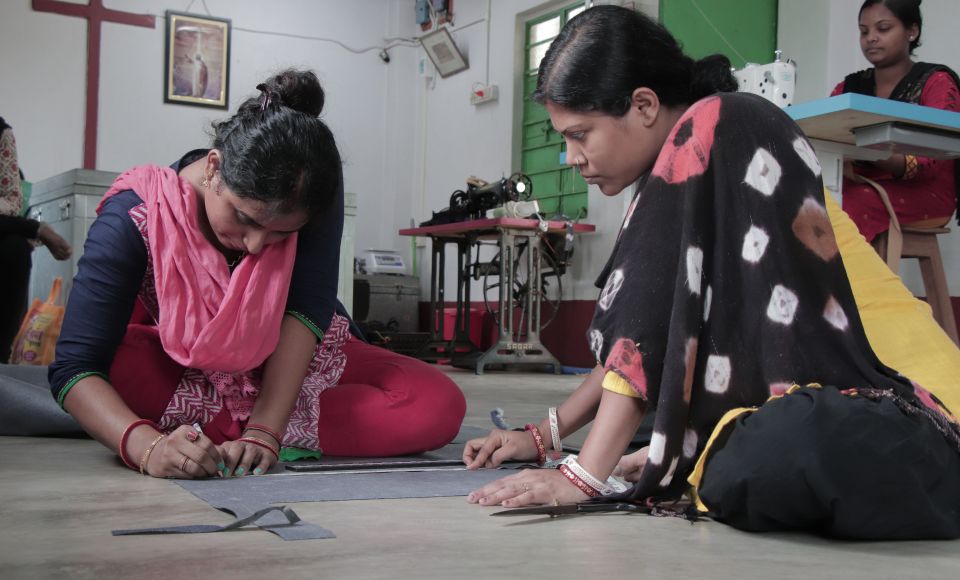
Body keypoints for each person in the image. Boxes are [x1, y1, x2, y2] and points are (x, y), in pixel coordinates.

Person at [463, 6, 960, 540]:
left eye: (581, 134)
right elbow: (642, 341)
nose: (572, 156)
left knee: (763, 453)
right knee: (704, 444)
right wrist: (544, 436)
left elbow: (641, 336)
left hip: (909, 413)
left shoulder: (724, 120)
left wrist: (582, 475)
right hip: (818, 404)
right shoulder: (680, 165)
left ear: (644, 105)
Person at [49, 70, 465, 479]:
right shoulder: (136, 216)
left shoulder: (310, 188)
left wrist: (266, 430)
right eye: (244, 218)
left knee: (434, 403)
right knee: (117, 363)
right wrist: (146, 447)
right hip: (183, 369)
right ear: (213, 168)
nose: (254, 246)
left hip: (289, 360)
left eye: (282, 234)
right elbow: (75, 366)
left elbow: (306, 305)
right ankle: (229, 430)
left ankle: (216, 433)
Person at [833, 0, 959, 242]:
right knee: (807, 197)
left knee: (849, 203)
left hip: (925, 191)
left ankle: (840, 268)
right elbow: (828, 133)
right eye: (864, 31)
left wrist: (869, 152)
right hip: (860, 183)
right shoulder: (849, 87)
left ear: (912, 31)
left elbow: (934, 158)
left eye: (883, 28)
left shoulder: (936, 82)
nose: (871, 38)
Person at [1, 116, 72, 362]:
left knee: (14, 248)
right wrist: (35, 229)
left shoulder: (1, 132)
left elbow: (11, 200)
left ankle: (2, 359)